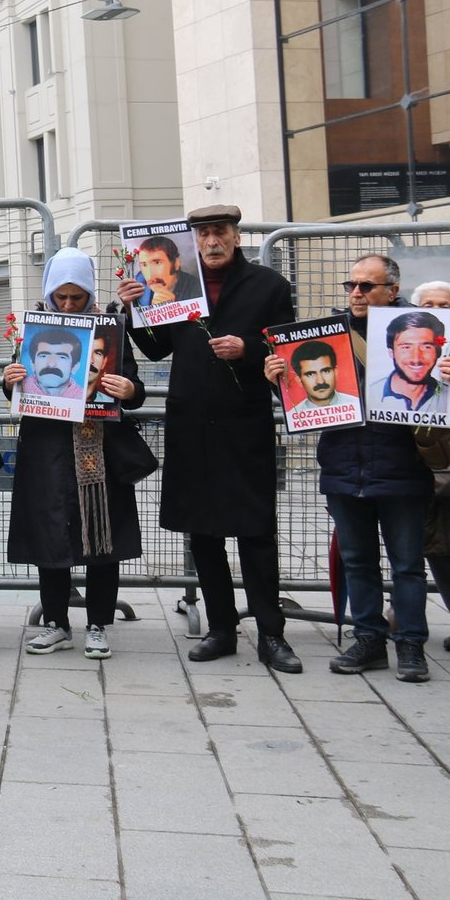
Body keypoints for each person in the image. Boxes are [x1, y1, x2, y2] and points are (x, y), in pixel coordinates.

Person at [265, 255, 450, 681]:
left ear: (392, 290)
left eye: (367, 286)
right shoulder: (327, 334)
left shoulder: (423, 334)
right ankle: (369, 641)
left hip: (403, 470)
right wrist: (278, 379)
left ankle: (411, 646)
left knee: (407, 565)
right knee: (358, 562)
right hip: (345, 467)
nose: (356, 293)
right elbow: (307, 400)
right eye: (351, 285)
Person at [119, 204, 302, 673]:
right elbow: (158, 347)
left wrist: (248, 349)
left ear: (236, 237)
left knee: (256, 532)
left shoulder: (268, 285)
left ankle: (272, 634)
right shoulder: (180, 287)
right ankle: (221, 629)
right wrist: (134, 306)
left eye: (219, 232)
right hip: (191, 425)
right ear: (193, 242)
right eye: (202, 235)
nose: (211, 241)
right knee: (203, 534)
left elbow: (286, 348)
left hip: (245, 425)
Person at [8, 250, 147, 659]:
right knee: (50, 533)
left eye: (77, 297)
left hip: (96, 452)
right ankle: (56, 623)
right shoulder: (34, 329)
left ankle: (98, 624)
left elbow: (133, 386)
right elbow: (21, 387)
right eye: (61, 297)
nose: (68, 305)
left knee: (101, 535)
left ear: (90, 293)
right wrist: (11, 381)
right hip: (46, 450)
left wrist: (130, 391)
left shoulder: (111, 331)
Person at [411, 281, 450, 657]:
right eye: (428, 305)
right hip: (433, 463)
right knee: (442, 545)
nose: (437, 309)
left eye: (444, 305)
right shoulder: (408, 347)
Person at [374, 310, 447, 413]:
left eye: (426, 347)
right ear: (391, 352)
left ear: (438, 352)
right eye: (406, 347)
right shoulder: (368, 394)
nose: (416, 359)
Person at [287, 341, 361, 414]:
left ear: (336, 372)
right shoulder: (292, 417)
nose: (320, 381)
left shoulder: (358, 406)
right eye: (310, 374)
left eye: (326, 371)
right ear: (299, 380)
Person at [135, 234, 203, 307]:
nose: (150, 275)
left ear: (176, 263)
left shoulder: (196, 289)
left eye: (157, 263)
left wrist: (173, 309)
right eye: (144, 265)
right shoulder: (138, 283)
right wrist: (128, 306)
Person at [19, 327, 85, 399]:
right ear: (32, 364)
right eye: (43, 356)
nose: (51, 364)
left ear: (74, 367)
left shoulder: (84, 399)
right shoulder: (19, 388)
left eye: (62, 357)